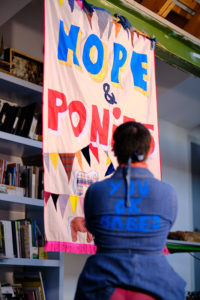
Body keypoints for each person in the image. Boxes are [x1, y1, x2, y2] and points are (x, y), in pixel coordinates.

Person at [74, 121, 186, 300]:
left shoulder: (95, 191)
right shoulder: (168, 193)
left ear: (114, 150)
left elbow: (93, 228)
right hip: (158, 285)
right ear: (149, 150)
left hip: (99, 285)